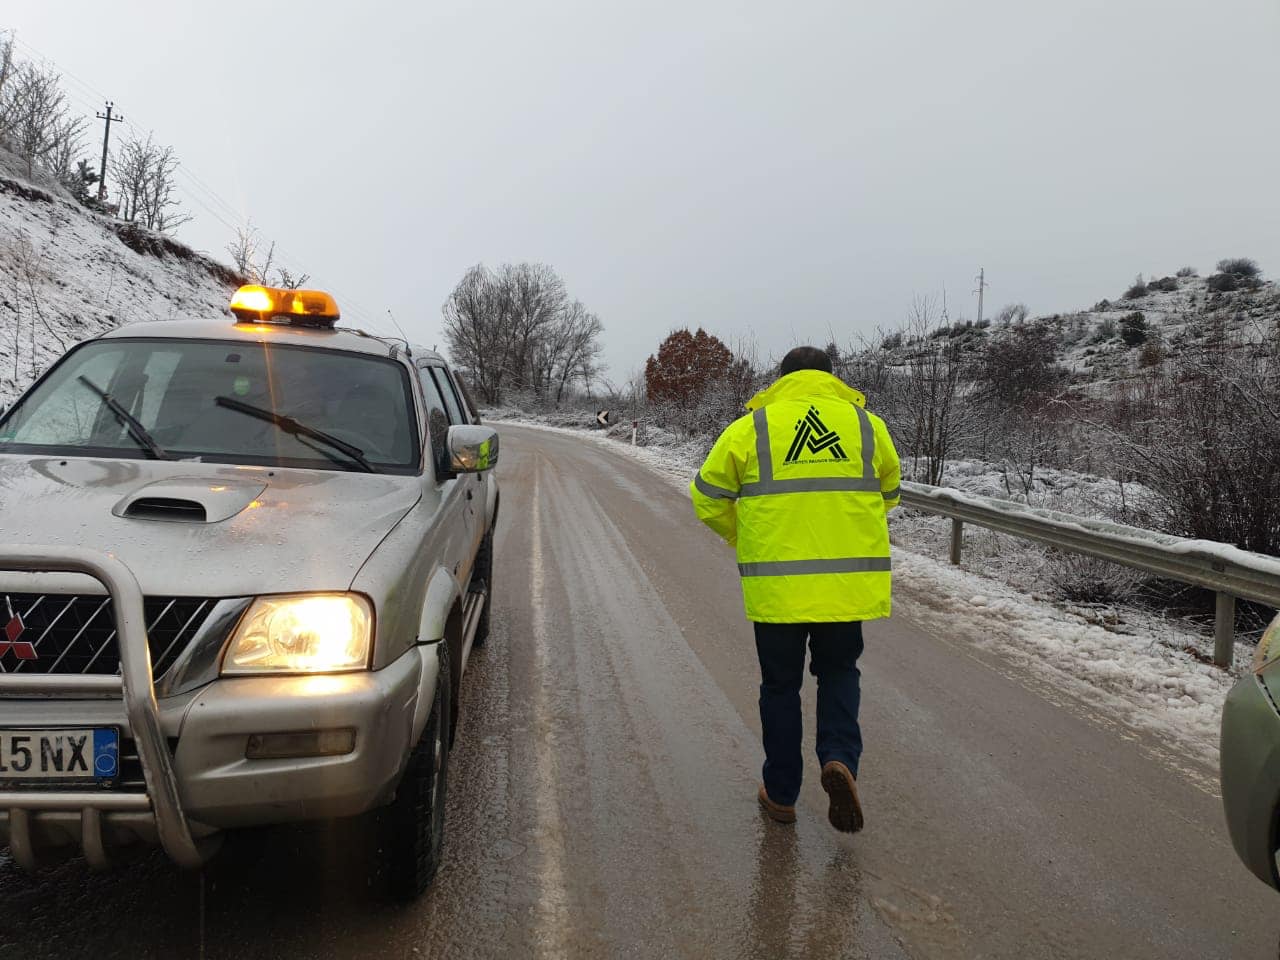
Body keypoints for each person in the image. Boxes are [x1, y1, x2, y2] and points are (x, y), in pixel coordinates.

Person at [689, 346, 900, 833]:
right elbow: (889, 492)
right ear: (832, 378)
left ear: (781, 379)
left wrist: (743, 536)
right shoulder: (868, 426)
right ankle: (840, 758)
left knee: (781, 687)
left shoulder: (754, 427)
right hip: (846, 586)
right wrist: (842, 526)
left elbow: (706, 496)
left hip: (778, 588)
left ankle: (781, 793)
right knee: (840, 671)